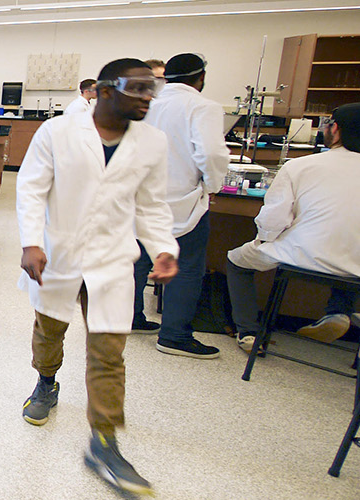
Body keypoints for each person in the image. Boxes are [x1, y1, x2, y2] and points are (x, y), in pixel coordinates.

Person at [16, 58, 178, 495]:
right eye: (138, 88)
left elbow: (151, 205)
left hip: (112, 261)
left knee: (109, 351)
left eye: (153, 89)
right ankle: (46, 382)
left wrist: (163, 247)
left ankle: (104, 441)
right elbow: (31, 187)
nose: (148, 97)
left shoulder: (153, 142)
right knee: (49, 330)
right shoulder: (58, 132)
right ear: (106, 90)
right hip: (59, 254)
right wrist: (32, 242)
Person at [228, 103, 360, 350]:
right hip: (355, 267)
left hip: (304, 254)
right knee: (348, 255)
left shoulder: (301, 166)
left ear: (337, 130)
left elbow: (274, 220)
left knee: (237, 261)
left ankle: (249, 333)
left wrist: (264, 241)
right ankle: (339, 311)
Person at [138, 53, 230, 358]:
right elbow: (212, 155)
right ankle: (174, 335)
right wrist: (213, 186)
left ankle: (130, 318)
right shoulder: (203, 107)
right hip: (181, 201)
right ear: (200, 77)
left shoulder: (147, 103)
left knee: (137, 260)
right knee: (187, 265)